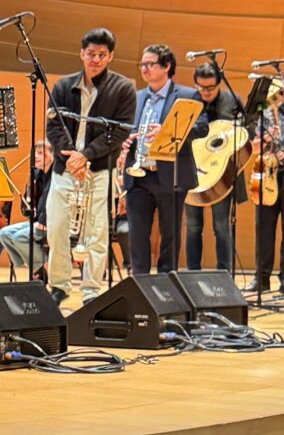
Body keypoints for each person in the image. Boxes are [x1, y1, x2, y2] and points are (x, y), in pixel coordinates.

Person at [45, 29, 137, 304]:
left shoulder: (123, 88)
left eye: (101, 55)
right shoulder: (63, 86)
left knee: (96, 233)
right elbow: (53, 125)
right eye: (91, 54)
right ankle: (59, 285)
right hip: (65, 168)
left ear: (110, 56)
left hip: (99, 170)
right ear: (81, 53)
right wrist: (72, 159)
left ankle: (91, 291)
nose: (95, 59)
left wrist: (85, 156)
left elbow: (118, 133)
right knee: (57, 227)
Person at [121, 43, 198, 276]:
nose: (144, 69)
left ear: (166, 66)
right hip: (138, 175)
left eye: (150, 64)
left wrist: (167, 130)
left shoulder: (186, 95)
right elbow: (126, 129)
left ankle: (166, 286)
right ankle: (140, 284)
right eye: (142, 64)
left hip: (170, 175)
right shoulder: (135, 97)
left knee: (169, 236)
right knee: (137, 234)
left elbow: (202, 128)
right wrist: (124, 141)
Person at [184, 61, 241, 273]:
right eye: (201, 87)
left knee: (221, 226)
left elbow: (245, 132)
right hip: (192, 171)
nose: (205, 92)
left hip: (221, 173)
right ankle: (192, 274)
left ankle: (224, 275)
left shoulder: (232, 100)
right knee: (192, 226)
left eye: (210, 88)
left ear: (219, 83)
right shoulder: (189, 101)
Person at [0, 139, 52, 277]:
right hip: (38, 223)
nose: (37, 157)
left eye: (41, 153)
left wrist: (43, 221)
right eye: (36, 153)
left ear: (52, 156)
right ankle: (35, 266)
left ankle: (42, 270)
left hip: (51, 223)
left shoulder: (56, 176)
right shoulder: (37, 175)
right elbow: (26, 208)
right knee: (4, 233)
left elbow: (52, 201)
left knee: (19, 237)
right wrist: (29, 185)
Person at [251, 84, 284, 297]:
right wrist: (265, 139)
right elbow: (255, 143)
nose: (278, 97)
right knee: (262, 227)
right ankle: (260, 279)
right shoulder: (265, 113)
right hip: (266, 172)